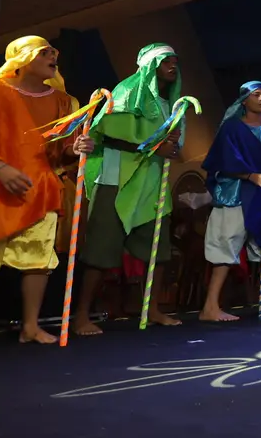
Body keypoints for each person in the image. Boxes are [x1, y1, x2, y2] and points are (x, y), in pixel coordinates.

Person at [73, 43, 184, 334]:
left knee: (158, 250)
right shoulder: (127, 91)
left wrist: (172, 148)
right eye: (165, 61)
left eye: (175, 61)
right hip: (117, 180)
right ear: (150, 66)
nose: (173, 65)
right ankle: (82, 315)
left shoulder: (172, 104)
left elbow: (174, 149)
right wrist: (156, 148)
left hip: (152, 184)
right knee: (100, 251)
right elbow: (109, 136)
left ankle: (153, 309)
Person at [0, 38, 84, 344]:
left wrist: (77, 149)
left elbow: (63, 151)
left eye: (53, 53)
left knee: (38, 260)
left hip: (40, 189)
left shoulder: (64, 102)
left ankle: (30, 326)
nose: (52, 57)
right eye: (43, 52)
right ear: (22, 59)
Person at [199, 81, 261, 321]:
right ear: (244, 100)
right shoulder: (231, 128)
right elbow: (222, 160)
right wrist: (251, 175)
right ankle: (210, 307)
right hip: (236, 193)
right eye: (256, 94)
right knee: (226, 245)